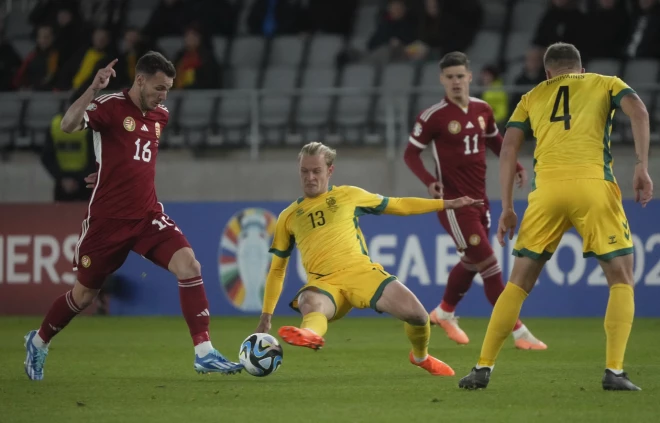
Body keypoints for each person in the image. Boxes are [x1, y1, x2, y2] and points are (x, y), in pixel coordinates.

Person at [23, 51, 242, 381]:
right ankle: (38, 341)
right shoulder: (109, 106)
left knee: (189, 266)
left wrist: (109, 171)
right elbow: (68, 125)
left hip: (147, 217)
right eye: (159, 87)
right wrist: (93, 88)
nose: (163, 95)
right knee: (83, 296)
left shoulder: (160, 116)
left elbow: (134, 156)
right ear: (140, 80)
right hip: (107, 222)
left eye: (168, 88)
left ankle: (204, 352)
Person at [459, 42, 653, 391]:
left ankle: (482, 368)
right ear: (579, 68)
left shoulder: (532, 96)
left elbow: (507, 148)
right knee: (622, 278)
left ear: (548, 73)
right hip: (593, 186)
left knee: (518, 283)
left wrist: (506, 207)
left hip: (546, 192)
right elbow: (638, 111)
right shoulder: (606, 82)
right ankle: (614, 371)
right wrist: (641, 167)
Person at [255, 142, 484, 376]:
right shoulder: (288, 217)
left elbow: (398, 205)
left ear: (330, 171)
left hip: (362, 274)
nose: (310, 177)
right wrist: (266, 316)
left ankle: (420, 356)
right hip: (324, 284)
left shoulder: (349, 195)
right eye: (305, 171)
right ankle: (311, 334)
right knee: (308, 300)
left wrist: (447, 204)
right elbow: (277, 270)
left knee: (418, 315)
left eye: (316, 171)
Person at [404, 51, 547, 350]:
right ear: (442, 80)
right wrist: (430, 182)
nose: (456, 82)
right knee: (489, 264)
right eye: (450, 77)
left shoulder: (483, 110)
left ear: (469, 77)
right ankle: (518, 332)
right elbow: (410, 154)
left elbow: (496, 141)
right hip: (454, 205)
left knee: (470, 262)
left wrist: (517, 165)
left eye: (460, 76)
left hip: (480, 202)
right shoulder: (433, 117)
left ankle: (444, 311)